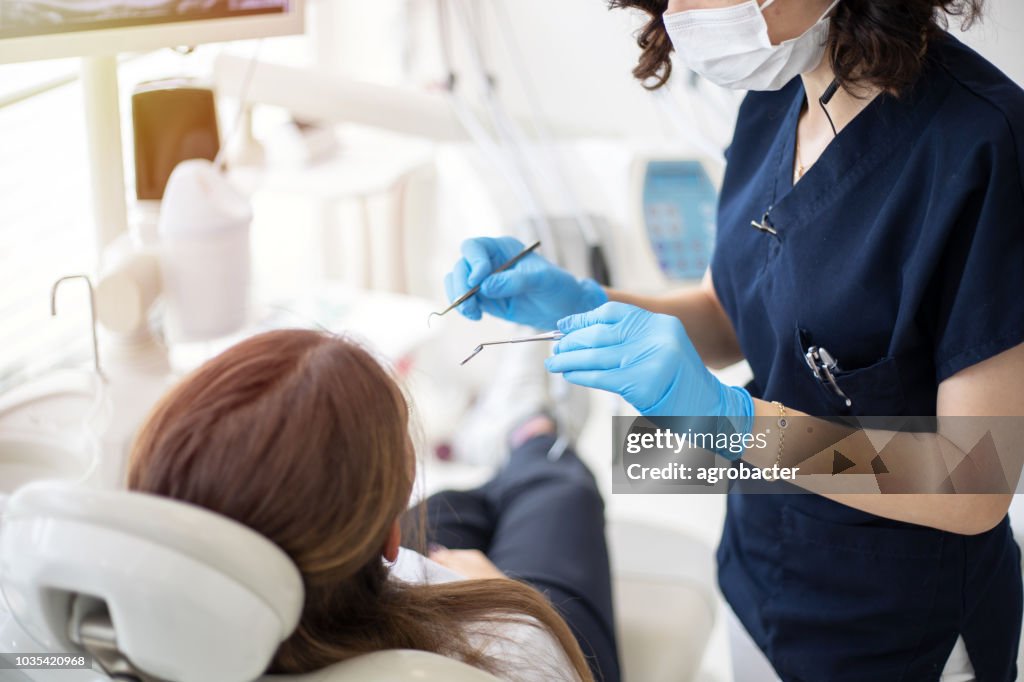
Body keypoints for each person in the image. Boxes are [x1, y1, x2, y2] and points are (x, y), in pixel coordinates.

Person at [444, 0, 1024, 679]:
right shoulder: (779, 97)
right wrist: (582, 300)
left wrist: (733, 422)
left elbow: (974, 483)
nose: (685, 11)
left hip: (896, 624)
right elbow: (733, 311)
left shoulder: (984, 143)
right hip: (760, 578)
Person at [127, 329, 620, 682]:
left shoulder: (117, 645)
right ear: (390, 538)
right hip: (560, 647)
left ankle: (502, 448)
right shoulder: (518, 645)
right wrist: (503, 597)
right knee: (558, 489)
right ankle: (532, 431)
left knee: (454, 505)